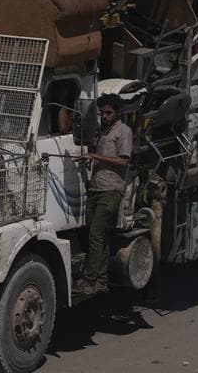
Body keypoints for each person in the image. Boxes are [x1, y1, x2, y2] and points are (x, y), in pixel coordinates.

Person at [79, 94, 132, 295]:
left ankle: (90, 280)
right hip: (96, 188)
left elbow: (124, 161)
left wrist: (95, 156)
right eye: (102, 113)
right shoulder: (102, 131)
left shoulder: (123, 132)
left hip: (111, 189)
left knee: (96, 234)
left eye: (109, 113)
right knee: (98, 236)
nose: (105, 116)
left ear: (117, 113)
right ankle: (101, 280)